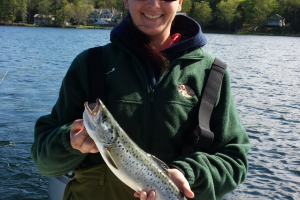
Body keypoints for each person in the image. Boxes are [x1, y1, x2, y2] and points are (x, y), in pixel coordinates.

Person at [31, 0, 251, 199]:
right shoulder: (89, 64)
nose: (154, 4)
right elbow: (44, 161)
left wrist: (187, 173)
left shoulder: (212, 73)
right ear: (126, 1)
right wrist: (68, 142)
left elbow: (234, 160)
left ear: (180, 2)